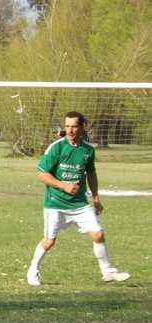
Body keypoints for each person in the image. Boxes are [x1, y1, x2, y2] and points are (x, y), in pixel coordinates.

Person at [26, 111, 129, 286]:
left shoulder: (88, 150)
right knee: (49, 241)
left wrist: (96, 198)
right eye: (67, 126)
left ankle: (108, 272)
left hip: (80, 204)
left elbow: (91, 174)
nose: (70, 130)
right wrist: (64, 186)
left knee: (98, 234)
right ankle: (32, 271)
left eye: (74, 126)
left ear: (82, 127)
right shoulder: (57, 147)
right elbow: (41, 174)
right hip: (55, 204)